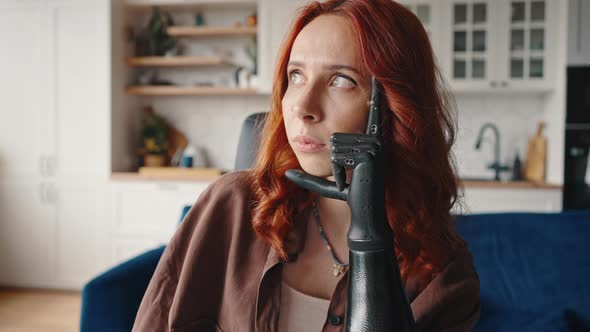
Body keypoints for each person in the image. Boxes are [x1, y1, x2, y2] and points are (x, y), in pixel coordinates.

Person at [132, 0, 480, 331]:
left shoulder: (442, 269)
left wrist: (370, 237)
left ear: (395, 107)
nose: (303, 107)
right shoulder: (231, 204)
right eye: (296, 76)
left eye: (341, 80)